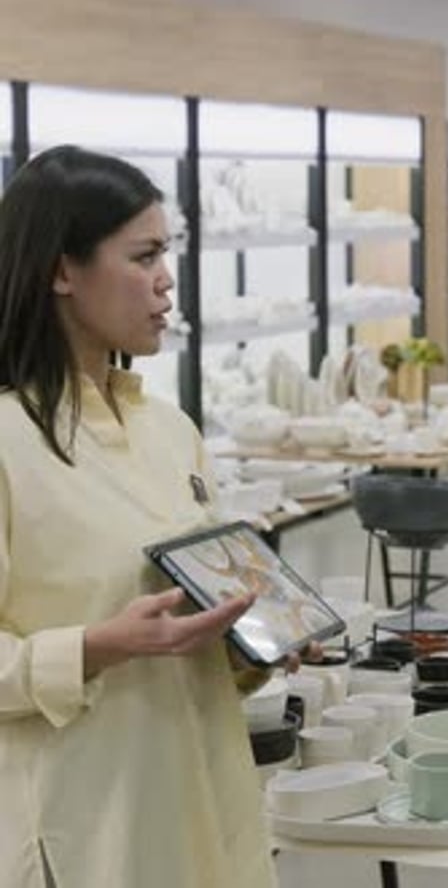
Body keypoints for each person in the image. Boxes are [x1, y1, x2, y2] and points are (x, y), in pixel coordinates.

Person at [0, 145, 286, 888]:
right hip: (86, 828)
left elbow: (194, 602)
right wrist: (96, 646)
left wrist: (252, 638)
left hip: (200, 800)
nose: (167, 280)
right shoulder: (6, 441)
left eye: (169, 253)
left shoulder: (170, 430)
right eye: (145, 255)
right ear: (62, 270)